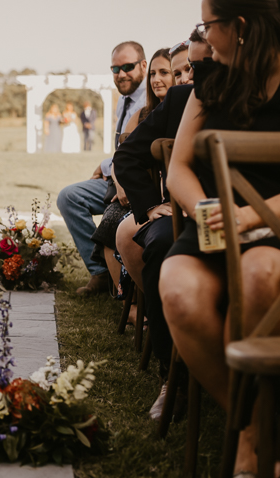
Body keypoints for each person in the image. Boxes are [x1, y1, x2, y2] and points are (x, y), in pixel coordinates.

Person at [159, 0, 280, 478]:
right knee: (178, 289)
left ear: (239, 26)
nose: (203, 37)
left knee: (260, 277)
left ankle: (248, 444)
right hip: (213, 225)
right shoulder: (211, 81)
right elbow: (178, 168)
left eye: (207, 26)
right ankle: (255, 430)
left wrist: (247, 216)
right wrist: (204, 212)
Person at [113, 36, 214, 419]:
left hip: (251, 214)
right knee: (159, 241)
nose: (195, 79)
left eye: (202, 68)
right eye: (193, 70)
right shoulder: (179, 101)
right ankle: (171, 373)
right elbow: (128, 156)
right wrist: (151, 206)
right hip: (186, 213)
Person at [56, 41, 147, 295]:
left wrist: (109, 166)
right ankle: (100, 272)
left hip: (136, 180)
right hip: (115, 175)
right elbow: (124, 147)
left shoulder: (150, 100)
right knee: (69, 197)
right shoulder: (124, 100)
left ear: (143, 65)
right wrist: (106, 165)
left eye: (128, 67)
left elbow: (137, 150)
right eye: (115, 69)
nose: (121, 74)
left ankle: (114, 276)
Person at [91, 48, 174, 300]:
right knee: (110, 221)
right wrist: (123, 185)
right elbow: (122, 155)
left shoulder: (185, 107)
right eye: (153, 74)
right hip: (140, 191)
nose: (157, 79)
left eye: (166, 73)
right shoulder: (143, 113)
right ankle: (124, 298)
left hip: (164, 195)